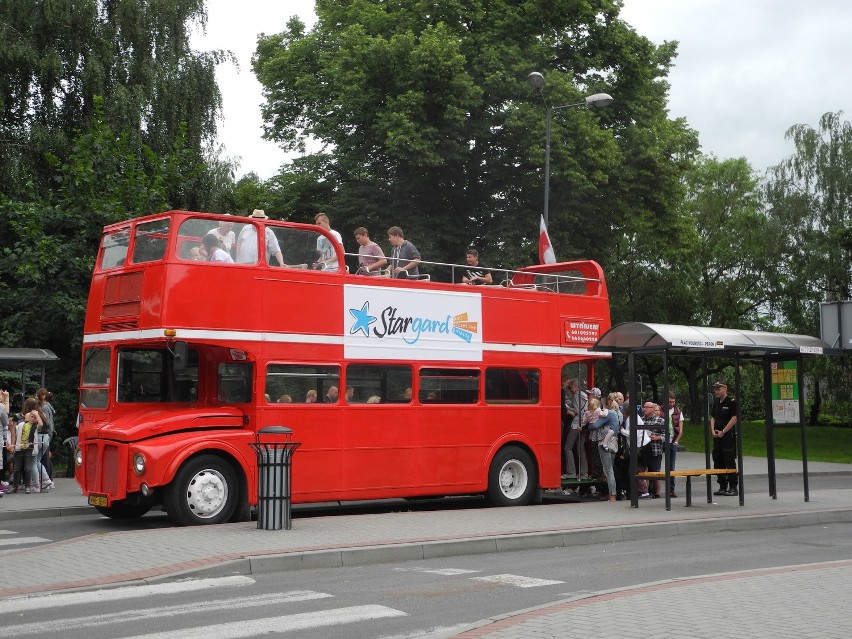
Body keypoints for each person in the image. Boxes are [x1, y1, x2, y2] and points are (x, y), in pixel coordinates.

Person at [588, 393, 622, 502]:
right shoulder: (618, 414)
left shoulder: (610, 413)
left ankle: (612, 495)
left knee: (608, 471)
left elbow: (595, 425)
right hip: (614, 443)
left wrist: (589, 425)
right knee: (610, 468)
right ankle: (612, 493)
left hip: (605, 442)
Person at [710, 380, 738, 496]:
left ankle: (733, 487)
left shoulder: (731, 402)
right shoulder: (716, 402)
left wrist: (723, 431)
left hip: (727, 436)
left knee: (729, 461)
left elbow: (734, 418)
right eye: (715, 389)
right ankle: (722, 485)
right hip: (717, 436)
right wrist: (713, 431)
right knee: (717, 460)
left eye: (719, 388)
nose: (717, 391)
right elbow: (713, 417)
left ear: (725, 389)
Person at [562, 379, 588, 486]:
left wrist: (566, 406)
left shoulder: (577, 395)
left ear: (576, 387)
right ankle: (584, 473)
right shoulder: (584, 395)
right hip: (584, 423)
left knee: (568, 447)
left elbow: (576, 410)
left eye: (571, 387)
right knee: (580, 448)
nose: (570, 389)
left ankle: (571, 472)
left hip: (576, 423)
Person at [639, 401, 666, 498]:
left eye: (647, 407)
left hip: (655, 450)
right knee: (642, 471)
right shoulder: (641, 420)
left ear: (652, 409)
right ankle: (645, 491)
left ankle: (657, 493)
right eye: (644, 407)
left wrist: (658, 437)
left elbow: (668, 435)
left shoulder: (660, 421)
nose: (644, 409)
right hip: (643, 450)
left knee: (654, 472)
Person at [35, 388, 55, 485]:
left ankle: (48, 479)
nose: (35, 397)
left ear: (43, 396)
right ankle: (49, 478)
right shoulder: (46, 406)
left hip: (45, 435)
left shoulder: (44, 408)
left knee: (45, 458)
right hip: (47, 435)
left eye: (36, 395)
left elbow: (47, 423)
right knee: (45, 457)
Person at [666, 392, 683, 497]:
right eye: (669, 402)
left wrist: (676, 440)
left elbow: (680, 429)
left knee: (671, 467)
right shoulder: (661, 410)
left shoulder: (678, 412)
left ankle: (671, 489)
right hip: (662, 439)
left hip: (672, 440)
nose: (672, 404)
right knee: (657, 466)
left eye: (673, 402)